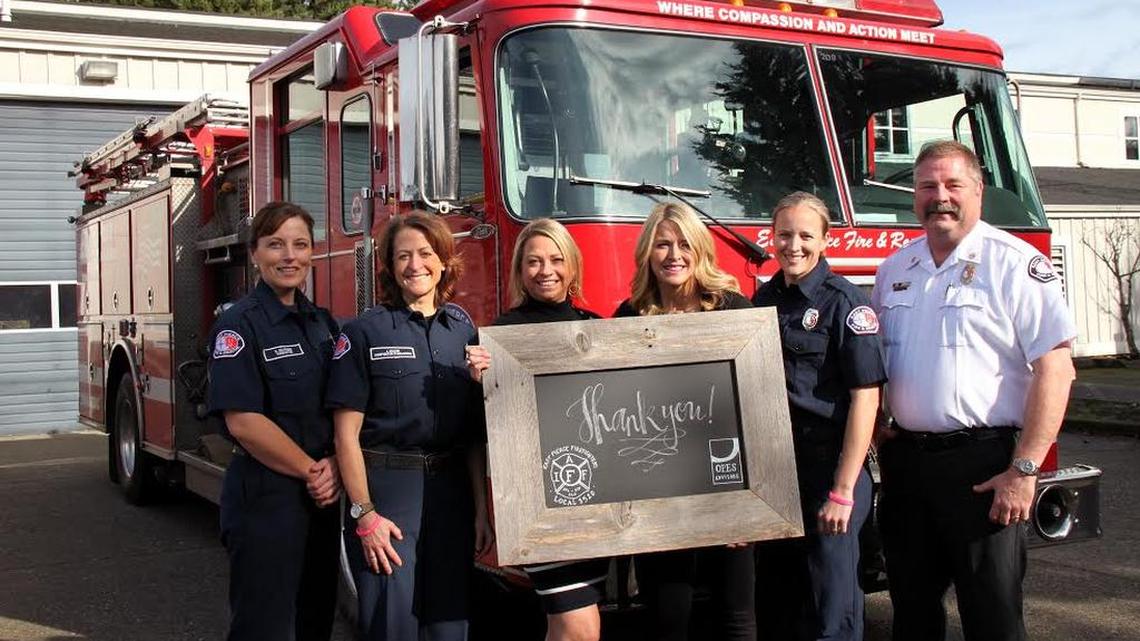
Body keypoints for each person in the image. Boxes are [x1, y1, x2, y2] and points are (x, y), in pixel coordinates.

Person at [870, 140, 1077, 641]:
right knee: (911, 612)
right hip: (906, 467)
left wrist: (1024, 470)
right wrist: (876, 422)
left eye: (952, 185)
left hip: (983, 469)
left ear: (978, 191)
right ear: (914, 196)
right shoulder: (893, 270)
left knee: (993, 617)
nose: (939, 197)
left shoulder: (1015, 264)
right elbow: (877, 364)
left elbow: (1056, 370)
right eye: (927, 186)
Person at [326, 212, 493, 641]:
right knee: (392, 626)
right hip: (389, 496)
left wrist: (479, 510)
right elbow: (345, 436)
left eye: (425, 253)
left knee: (450, 627)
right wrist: (365, 515)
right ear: (389, 266)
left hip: (451, 496)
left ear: (444, 261)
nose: (415, 265)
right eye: (403, 256)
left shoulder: (464, 333)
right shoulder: (364, 333)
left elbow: (472, 436)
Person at [613, 201, 755, 641]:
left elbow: (756, 405)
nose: (674, 255)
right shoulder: (628, 317)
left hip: (726, 486)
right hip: (660, 497)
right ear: (647, 254)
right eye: (662, 245)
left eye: (683, 244)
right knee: (667, 619)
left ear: (700, 250)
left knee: (735, 622)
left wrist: (750, 503)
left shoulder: (732, 309)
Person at [465, 218, 609, 641]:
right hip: (538, 506)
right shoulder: (499, 338)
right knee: (580, 628)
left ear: (573, 266)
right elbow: (477, 437)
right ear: (519, 271)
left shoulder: (598, 328)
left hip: (595, 503)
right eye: (533, 262)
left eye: (556, 259)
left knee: (564, 626)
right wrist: (481, 510)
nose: (546, 270)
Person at [752, 192, 885, 641]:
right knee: (781, 608)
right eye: (784, 235)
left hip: (830, 469)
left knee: (833, 612)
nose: (794, 246)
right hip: (778, 473)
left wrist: (843, 491)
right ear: (772, 238)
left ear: (826, 240)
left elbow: (866, 399)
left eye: (806, 236)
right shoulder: (763, 300)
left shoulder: (846, 303)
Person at [206, 201, 342, 641]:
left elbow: (342, 409)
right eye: (275, 245)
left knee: (314, 621)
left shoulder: (323, 324)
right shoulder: (237, 326)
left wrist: (335, 464)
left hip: (321, 499)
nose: (289, 256)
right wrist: (314, 471)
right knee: (264, 626)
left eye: (300, 245)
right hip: (266, 499)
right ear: (254, 253)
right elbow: (244, 421)